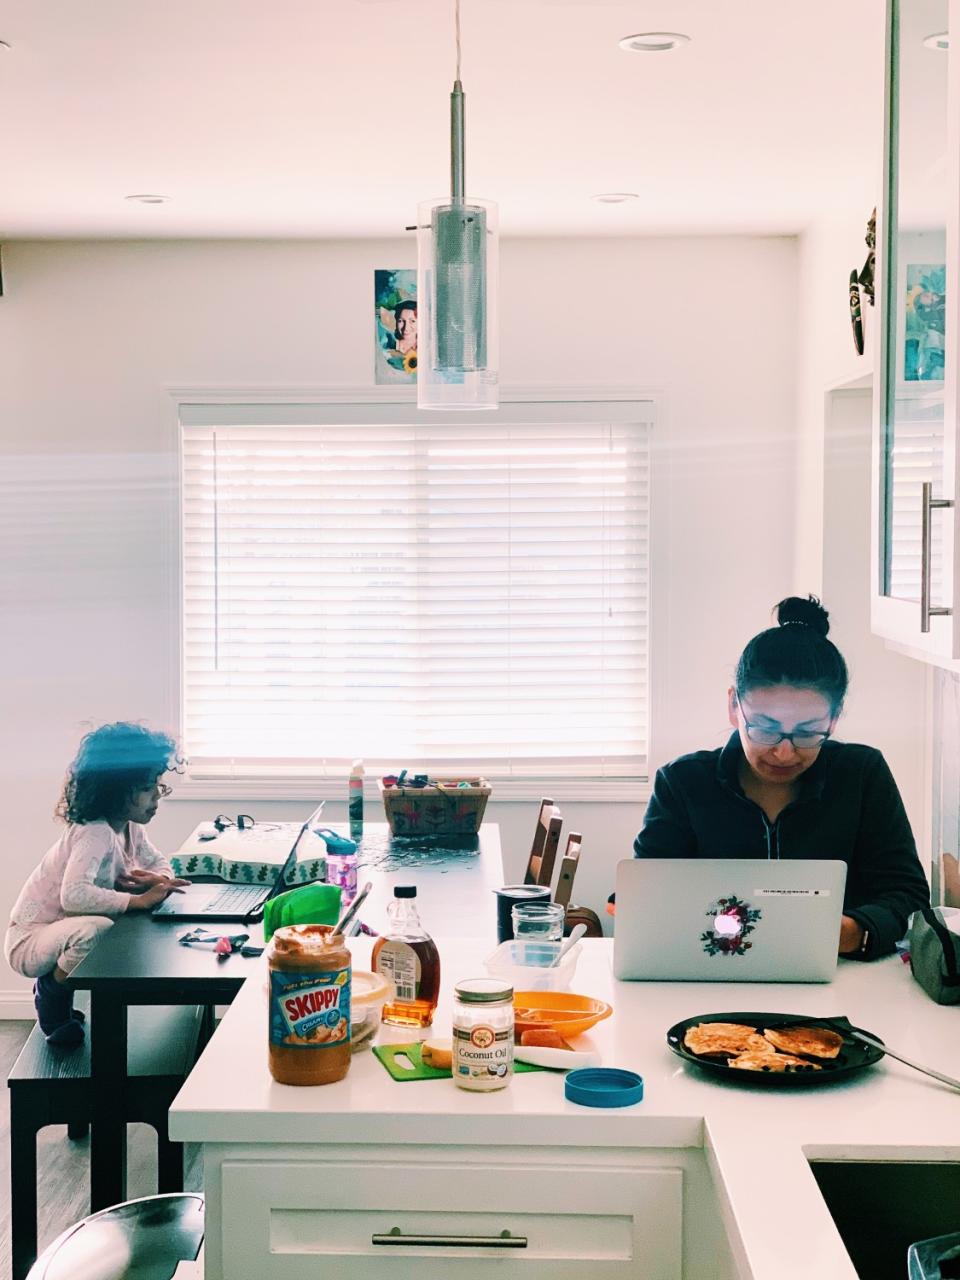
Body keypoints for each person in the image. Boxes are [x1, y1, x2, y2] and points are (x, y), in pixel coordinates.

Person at [631, 596, 929, 960]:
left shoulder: (861, 773)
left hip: (841, 977)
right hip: (706, 976)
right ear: (733, 707)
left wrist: (851, 932)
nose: (784, 752)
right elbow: (646, 897)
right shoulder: (682, 783)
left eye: (808, 732)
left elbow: (907, 893)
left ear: (834, 719)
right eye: (765, 728)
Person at [4, 723, 188, 1046]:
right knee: (99, 928)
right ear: (115, 791)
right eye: (147, 788)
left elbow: (159, 862)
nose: (157, 795)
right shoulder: (95, 833)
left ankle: (62, 990)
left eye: (159, 785)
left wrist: (159, 879)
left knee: (110, 927)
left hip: (59, 933)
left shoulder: (129, 828)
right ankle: (52, 992)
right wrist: (138, 900)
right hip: (29, 939)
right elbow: (73, 895)